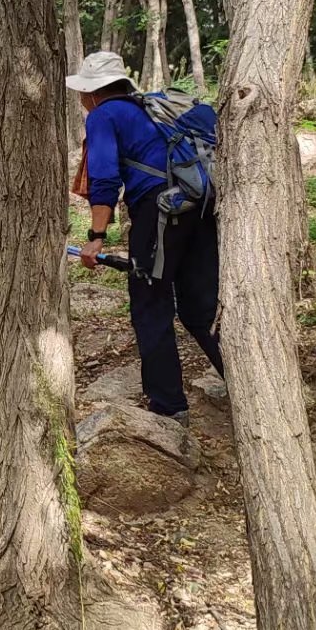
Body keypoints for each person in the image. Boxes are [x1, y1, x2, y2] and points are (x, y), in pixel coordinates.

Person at [69, 50, 224, 421]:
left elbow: (105, 179)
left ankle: (168, 408)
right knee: (201, 309)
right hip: (199, 208)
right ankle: (252, 386)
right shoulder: (147, 109)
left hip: (159, 214)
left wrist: (96, 236)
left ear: (92, 92)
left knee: (150, 307)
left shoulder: (103, 115)